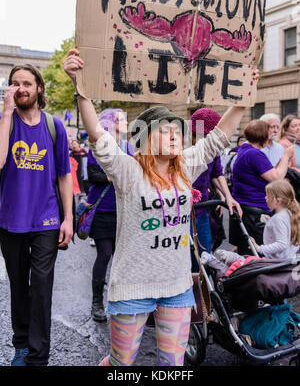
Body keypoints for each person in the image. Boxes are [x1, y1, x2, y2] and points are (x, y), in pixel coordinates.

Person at [64, 48, 259, 367]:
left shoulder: (186, 165)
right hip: (131, 289)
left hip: (177, 287)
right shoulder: (126, 170)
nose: (174, 137)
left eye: (176, 132)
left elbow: (218, 138)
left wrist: (242, 97)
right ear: (145, 138)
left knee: (173, 363)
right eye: (164, 131)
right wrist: (81, 89)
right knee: (120, 363)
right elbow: (99, 136)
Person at [0, 64, 73, 366]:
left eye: (27, 83)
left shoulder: (55, 127)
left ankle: (38, 355)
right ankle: (21, 344)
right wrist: (5, 113)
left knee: (41, 288)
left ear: (39, 88)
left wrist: (68, 218)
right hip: (9, 220)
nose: (21, 89)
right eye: (15, 83)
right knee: (18, 286)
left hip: (46, 219)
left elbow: (64, 176)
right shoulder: (5, 123)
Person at [87, 108, 133, 322]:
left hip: (126, 212)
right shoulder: (97, 145)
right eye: (122, 119)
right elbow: (93, 175)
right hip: (103, 211)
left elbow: (136, 174)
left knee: (123, 260)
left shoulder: (128, 147)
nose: (125, 122)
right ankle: (97, 302)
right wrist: (115, 175)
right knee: (105, 254)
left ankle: (121, 301)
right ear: (111, 123)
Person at [229, 119, 294, 255]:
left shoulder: (245, 149)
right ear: (264, 139)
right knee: (257, 254)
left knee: (247, 252)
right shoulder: (255, 154)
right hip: (254, 210)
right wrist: (285, 157)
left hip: (246, 209)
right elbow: (276, 178)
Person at [189, 108, 242, 266]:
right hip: (185, 210)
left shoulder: (213, 151)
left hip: (203, 209)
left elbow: (217, 174)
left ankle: (204, 284)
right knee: (190, 254)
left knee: (205, 252)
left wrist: (227, 196)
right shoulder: (186, 151)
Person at [250, 180, 300, 260]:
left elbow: (281, 244)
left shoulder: (278, 219)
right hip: (290, 258)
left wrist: (259, 248)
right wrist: (270, 221)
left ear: (278, 201)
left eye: (268, 196)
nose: (265, 198)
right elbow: (286, 229)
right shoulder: (289, 213)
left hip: (277, 262)